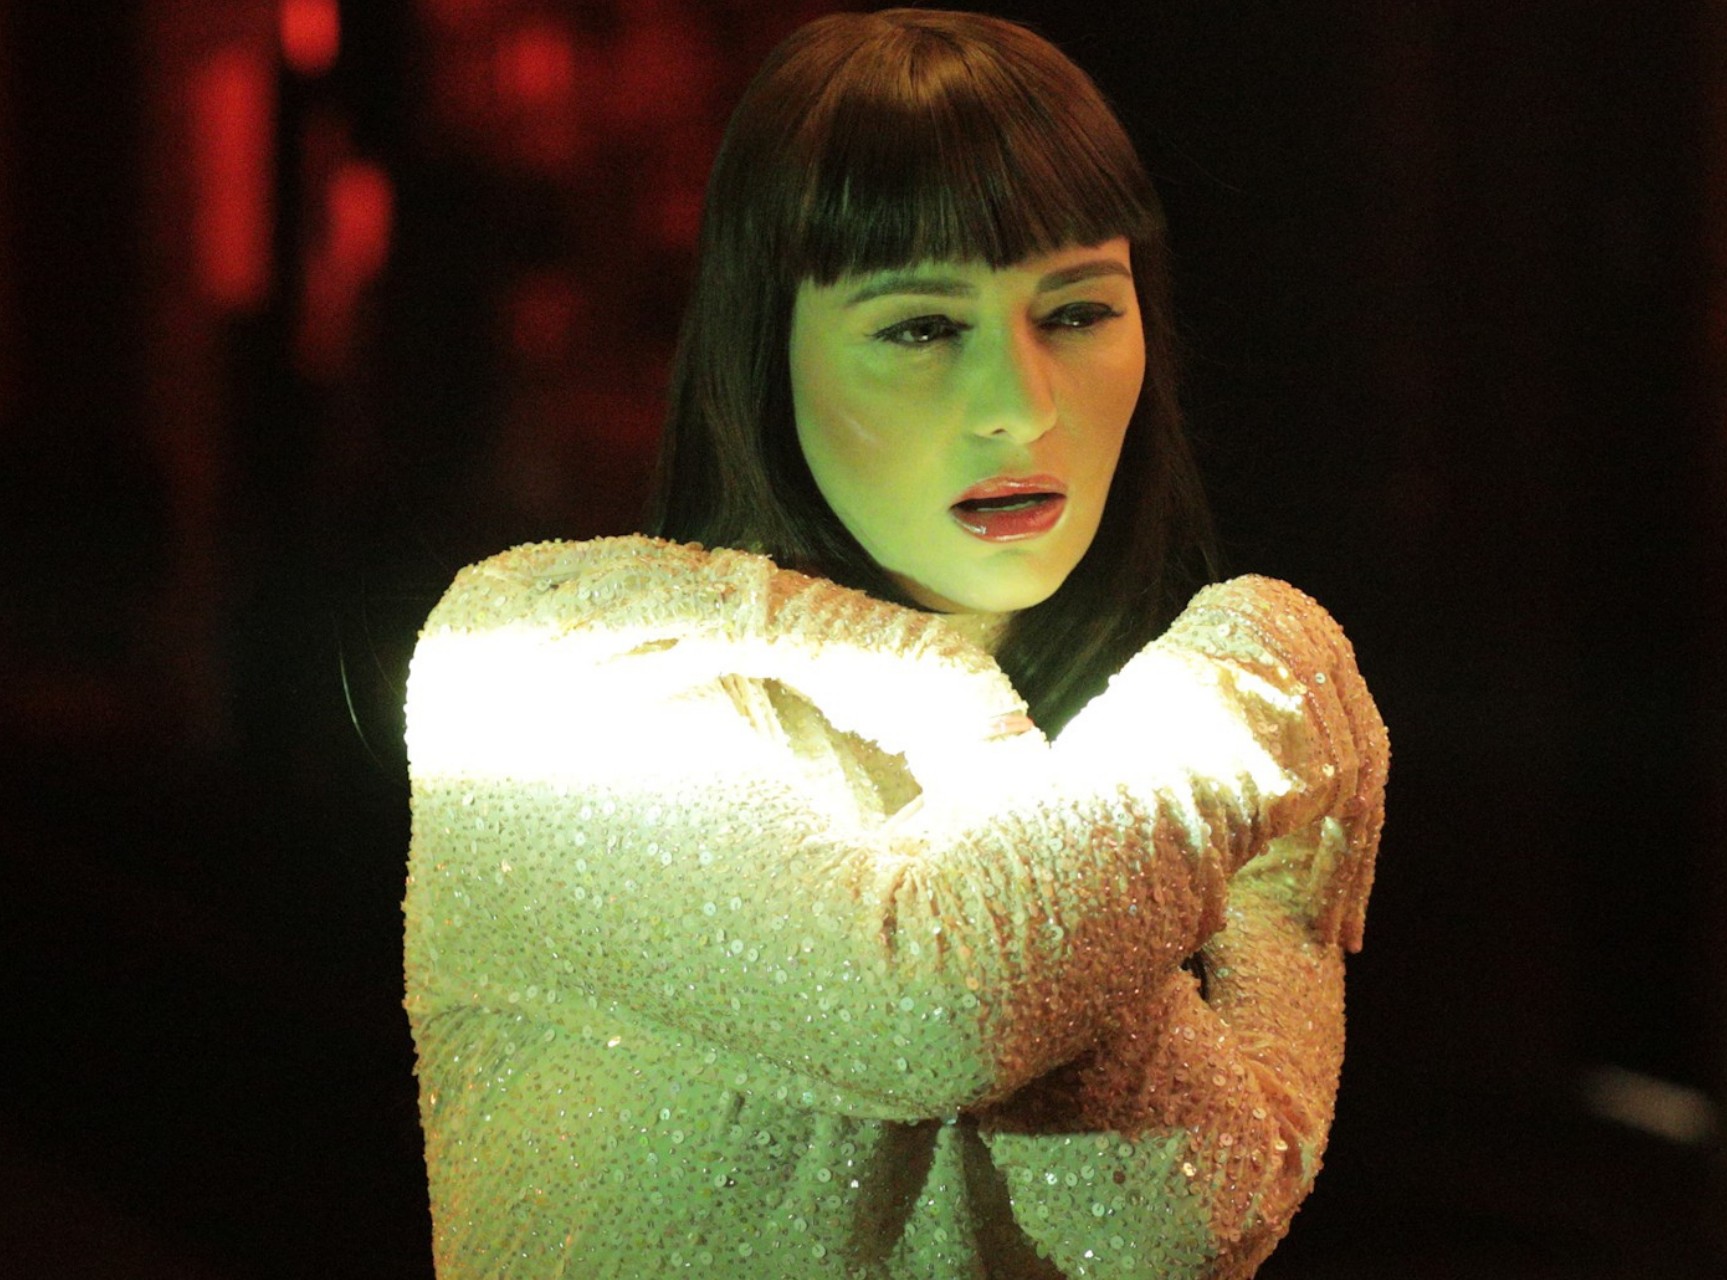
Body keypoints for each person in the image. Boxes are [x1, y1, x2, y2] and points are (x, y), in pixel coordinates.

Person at [402, 9, 1387, 1278]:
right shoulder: (546, 660)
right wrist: (1258, 670)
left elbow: (1181, 1222)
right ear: (768, 349)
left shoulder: (1085, 801)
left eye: (1078, 311)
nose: (1019, 405)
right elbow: (942, 1003)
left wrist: (1282, 910)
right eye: (922, 326)